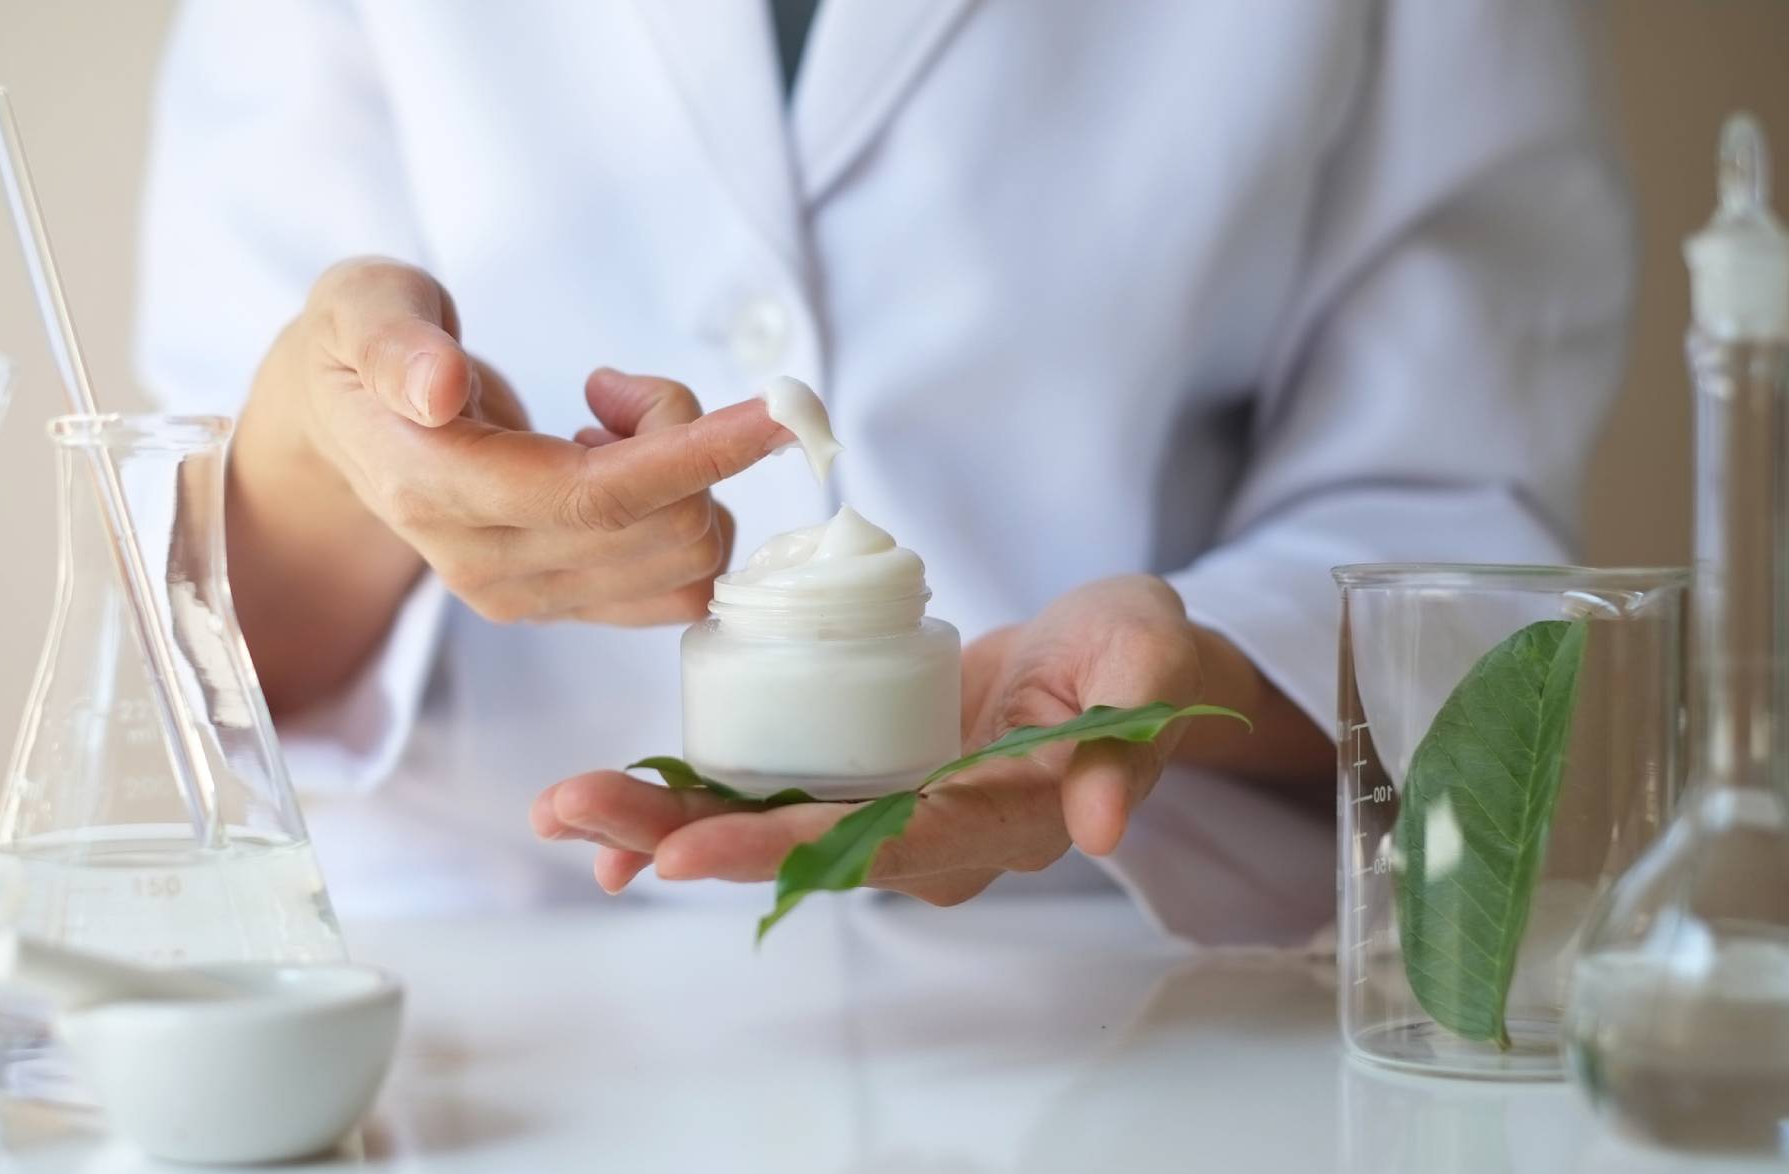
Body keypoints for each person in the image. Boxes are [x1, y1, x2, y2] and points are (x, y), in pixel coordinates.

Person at [136, 0, 1632, 941]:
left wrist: (1187, 677)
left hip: (1107, 991)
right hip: (481, 976)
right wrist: (351, 463)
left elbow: (1453, 513)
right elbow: (202, 629)